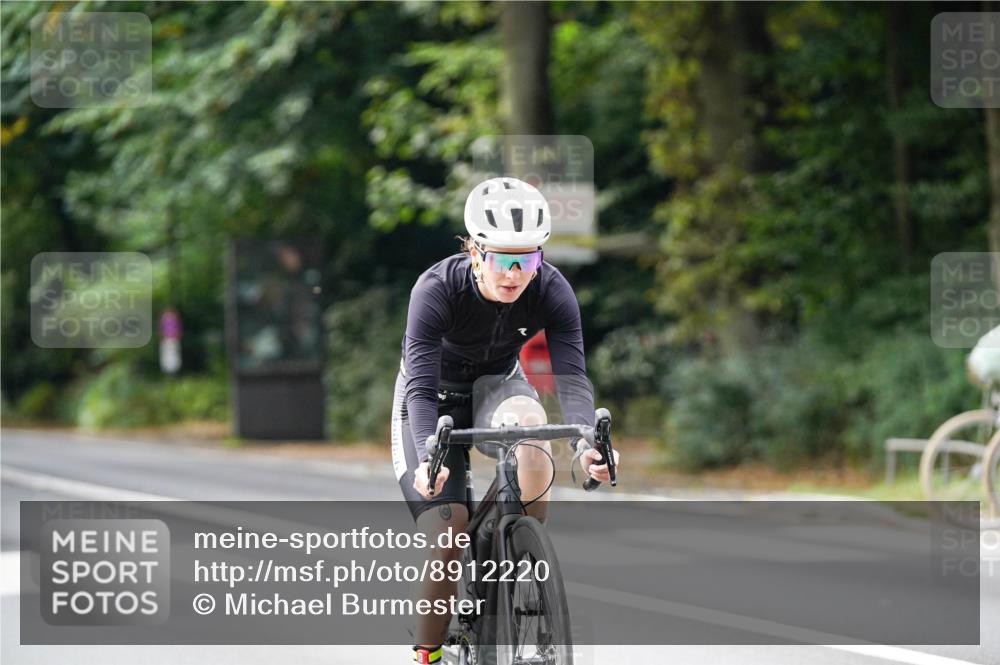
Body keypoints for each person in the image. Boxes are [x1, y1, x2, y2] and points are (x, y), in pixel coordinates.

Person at [390, 176, 621, 664]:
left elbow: (573, 378)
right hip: (432, 398)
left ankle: (520, 563)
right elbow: (418, 387)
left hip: (498, 385)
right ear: (475, 250)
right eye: (503, 258)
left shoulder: (552, 289)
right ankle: (427, 654)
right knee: (450, 532)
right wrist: (428, 452)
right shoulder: (435, 290)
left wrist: (586, 446)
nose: (516, 273)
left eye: (529, 258)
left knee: (532, 428)